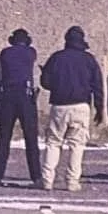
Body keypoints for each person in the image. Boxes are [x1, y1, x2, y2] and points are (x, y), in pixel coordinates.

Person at [38, 26, 103, 192]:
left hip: (59, 105)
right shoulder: (89, 60)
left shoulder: (56, 58)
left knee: (53, 143)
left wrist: (55, 83)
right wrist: (100, 108)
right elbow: (97, 86)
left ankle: (47, 179)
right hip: (81, 106)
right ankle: (72, 181)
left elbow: (45, 83)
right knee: (77, 145)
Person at [0, 29, 43, 188]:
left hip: (8, 96)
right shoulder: (30, 52)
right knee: (31, 139)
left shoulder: (5, 53)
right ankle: (36, 176)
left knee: (3, 137)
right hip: (25, 97)